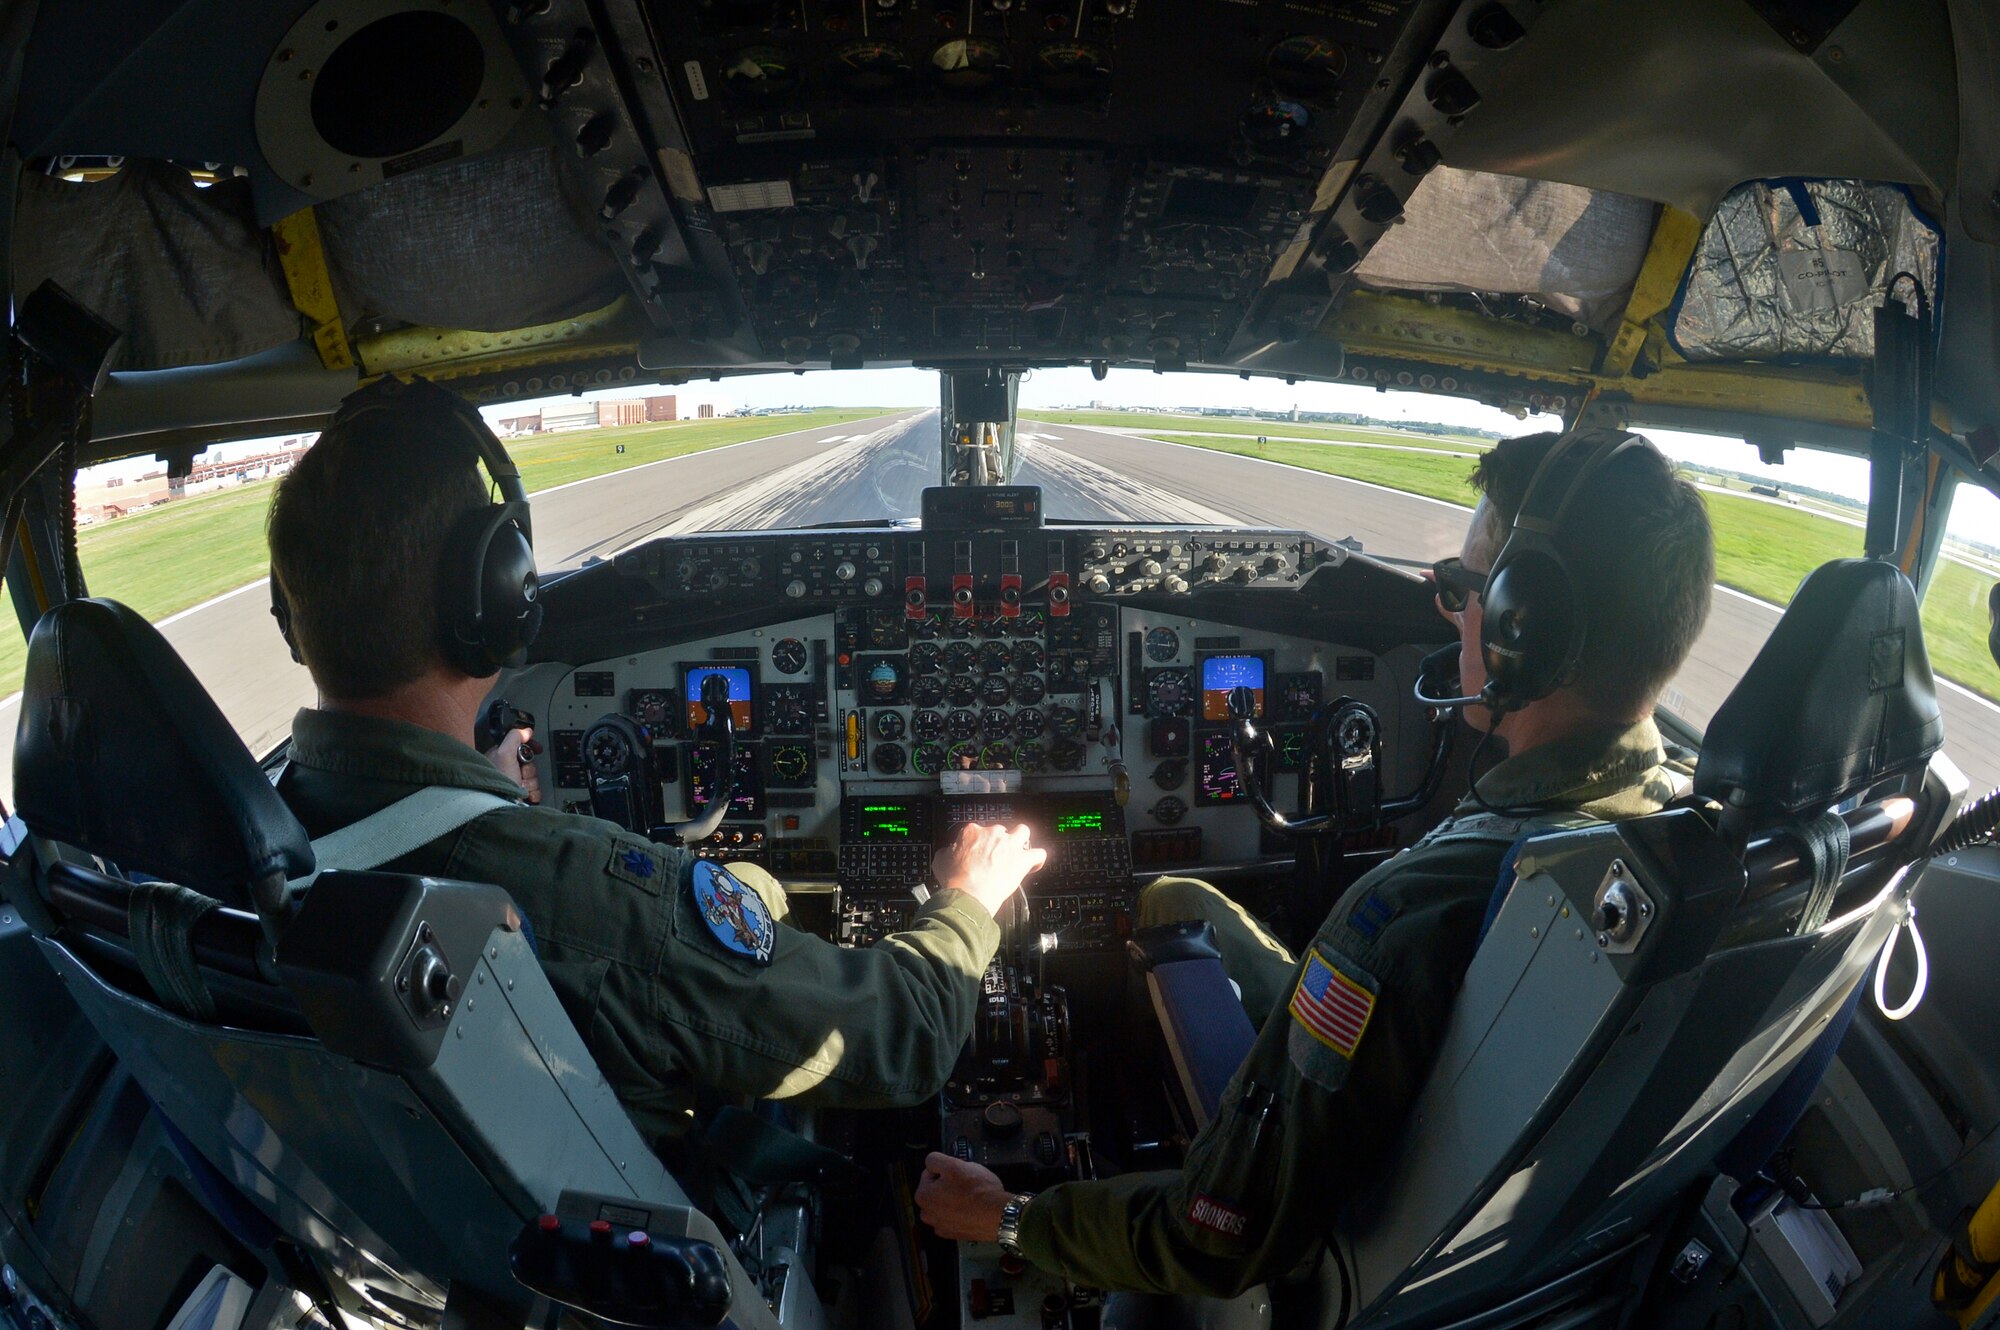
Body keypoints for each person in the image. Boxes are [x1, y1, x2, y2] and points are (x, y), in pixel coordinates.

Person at [916, 428, 1716, 1296]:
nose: (1448, 613)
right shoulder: (1681, 831)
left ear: (1534, 628)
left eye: (1464, 590)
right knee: (1177, 896)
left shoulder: (1398, 917)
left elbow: (1219, 1237)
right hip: (1505, 1227)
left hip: (1312, 1240)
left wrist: (1010, 1216)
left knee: (1163, 925)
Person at [267, 377, 1046, 1144]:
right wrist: (969, 898)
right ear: (498, 597)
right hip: (648, 1213)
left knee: (752, 886)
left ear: (293, 618)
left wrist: (481, 808)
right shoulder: (598, 902)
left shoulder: (257, 851)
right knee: (752, 895)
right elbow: (903, 1037)